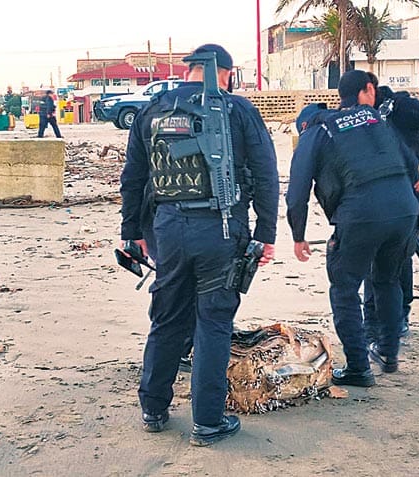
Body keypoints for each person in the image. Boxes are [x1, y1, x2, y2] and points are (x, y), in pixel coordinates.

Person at [120, 43, 279, 446]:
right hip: (222, 229)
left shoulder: (154, 107)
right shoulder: (238, 109)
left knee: (168, 317)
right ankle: (208, 422)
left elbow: (134, 176)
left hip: (168, 228)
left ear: (189, 69)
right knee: (213, 322)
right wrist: (266, 234)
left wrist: (132, 231)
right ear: (225, 72)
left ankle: (153, 408)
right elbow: (265, 174)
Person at [286, 70, 419, 387]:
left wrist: (298, 235)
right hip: (404, 210)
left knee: (344, 288)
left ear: (303, 124)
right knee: (388, 280)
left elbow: (297, 190)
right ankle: (388, 353)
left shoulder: (315, 132)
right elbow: (410, 161)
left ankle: (359, 368)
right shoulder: (374, 120)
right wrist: (415, 206)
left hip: (361, 213)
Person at [362, 72, 419, 343]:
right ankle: (375, 319)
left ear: (370, 89)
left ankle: (399, 316)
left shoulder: (403, 107)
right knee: (375, 257)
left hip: (406, 191)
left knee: (399, 256)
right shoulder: (362, 113)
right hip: (374, 194)